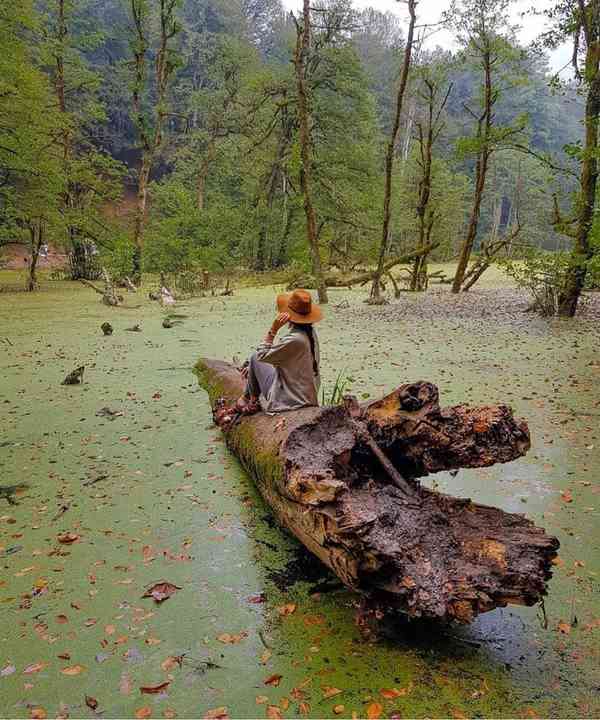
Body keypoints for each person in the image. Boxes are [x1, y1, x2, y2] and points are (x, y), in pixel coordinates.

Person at [236, 289, 322, 415]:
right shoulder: (310, 334)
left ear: (288, 315)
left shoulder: (295, 339)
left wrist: (273, 330)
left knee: (255, 358)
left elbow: (262, 355)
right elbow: (280, 356)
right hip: (306, 394)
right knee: (254, 363)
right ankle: (250, 398)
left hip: (290, 399)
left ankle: (248, 399)